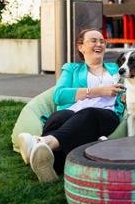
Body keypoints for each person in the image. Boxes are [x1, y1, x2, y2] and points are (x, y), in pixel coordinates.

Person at [17, 29, 125, 182]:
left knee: (89, 113)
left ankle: (42, 142)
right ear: (81, 47)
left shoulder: (117, 69)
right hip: (72, 113)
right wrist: (98, 91)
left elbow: (134, 86)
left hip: (105, 115)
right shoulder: (72, 69)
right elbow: (59, 96)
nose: (99, 44)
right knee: (58, 116)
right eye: (93, 40)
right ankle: (50, 165)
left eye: (102, 41)